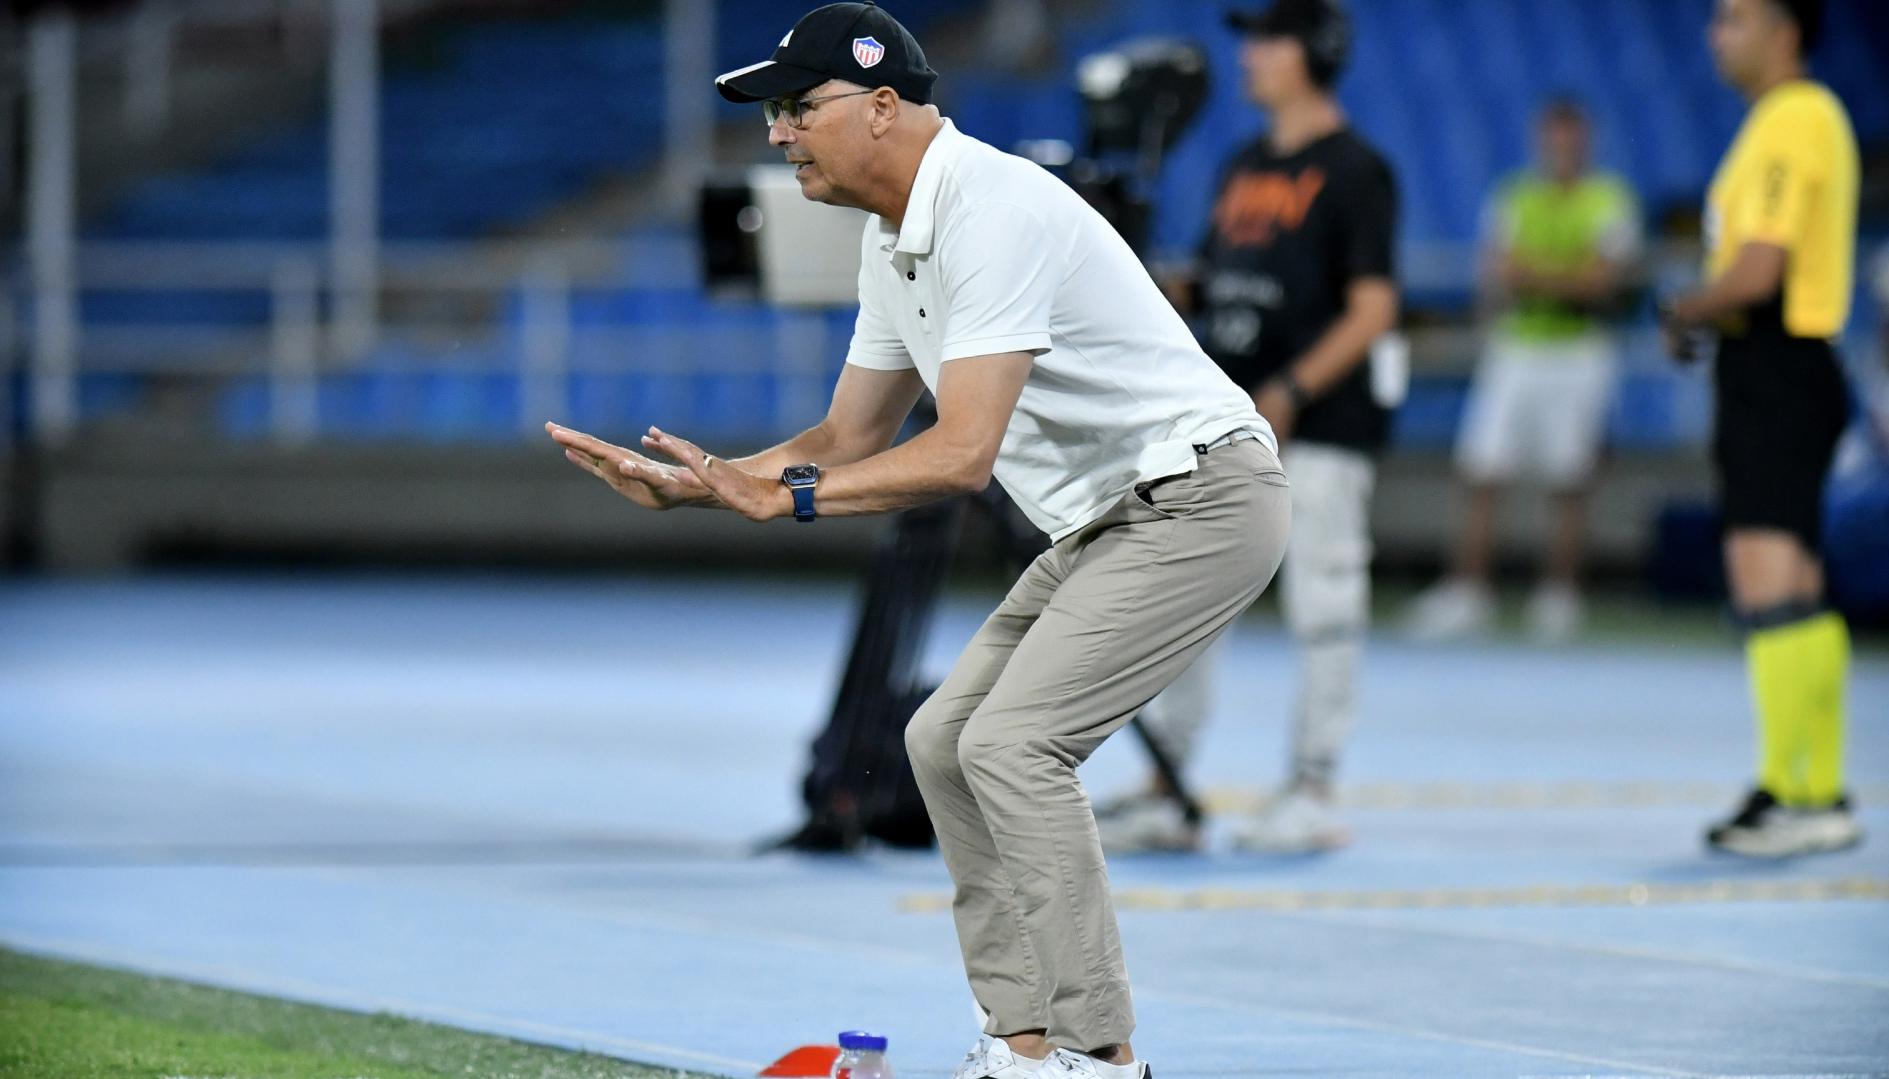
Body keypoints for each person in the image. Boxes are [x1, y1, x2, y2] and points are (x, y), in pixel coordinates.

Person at [549, 4, 1291, 1075]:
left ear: (883, 106)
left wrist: (786, 501)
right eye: (776, 113)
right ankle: (1020, 1042)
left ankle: (1100, 1052)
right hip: (1104, 517)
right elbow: (845, 435)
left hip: (1203, 497)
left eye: (799, 107)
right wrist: (708, 485)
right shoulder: (893, 239)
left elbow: (959, 455)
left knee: (1011, 744)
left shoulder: (990, 208)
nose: (776, 133)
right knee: (941, 741)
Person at [1094, 0, 1398, 855]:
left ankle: (1313, 785)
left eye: (1269, 39)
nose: (1251, 55)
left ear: (1315, 53)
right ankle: (1170, 785)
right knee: (1188, 601)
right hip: (1230, 424)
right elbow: (1224, 280)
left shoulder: (1354, 169)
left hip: (1319, 426)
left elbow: (1374, 307)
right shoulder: (1242, 163)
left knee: (1324, 605)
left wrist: (1293, 389)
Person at [1661, 0, 1862, 857]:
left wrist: (1684, 306)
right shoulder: (1790, 120)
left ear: (1785, 31)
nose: (1717, 35)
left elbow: (1757, 269)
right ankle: (1817, 785)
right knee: (1798, 585)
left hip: (1775, 365)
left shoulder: (1792, 119)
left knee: (1764, 581)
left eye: (1733, 19)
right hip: (1782, 367)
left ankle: (1792, 789)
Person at [1405, 99, 1641, 644]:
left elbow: (1604, 284)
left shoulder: (1610, 199)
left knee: (1570, 478)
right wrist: (1568, 277)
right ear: (1542, 142)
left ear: (1583, 143)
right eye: (1553, 141)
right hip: (1517, 348)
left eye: (1570, 141)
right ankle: (1468, 591)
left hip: (1580, 352)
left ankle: (1558, 596)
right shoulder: (1515, 195)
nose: (1561, 150)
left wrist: (1536, 276)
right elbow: (1498, 273)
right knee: (1482, 471)